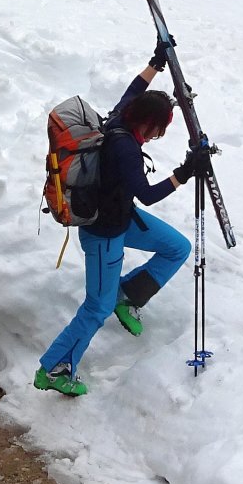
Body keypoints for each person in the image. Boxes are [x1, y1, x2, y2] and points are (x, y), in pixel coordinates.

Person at [35, 47, 211, 397]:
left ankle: (126, 295)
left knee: (176, 247)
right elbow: (146, 194)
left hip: (122, 218)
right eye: (159, 130)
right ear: (149, 124)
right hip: (103, 233)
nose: (158, 136)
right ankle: (54, 369)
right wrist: (185, 173)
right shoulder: (125, 148)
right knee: (96, 308)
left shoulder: (119, 117)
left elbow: (134, 89)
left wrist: (155, 64)